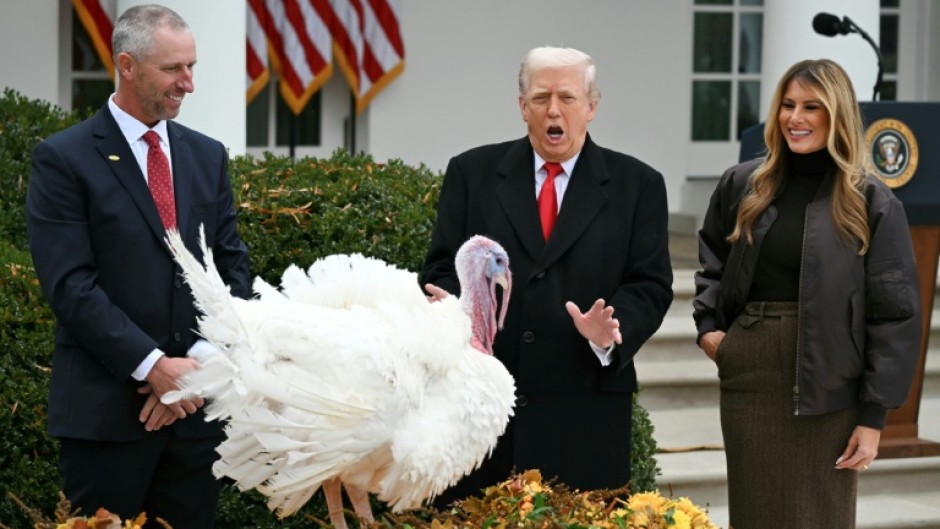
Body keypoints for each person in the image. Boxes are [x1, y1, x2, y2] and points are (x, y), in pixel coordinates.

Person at [26, 5, 251, 528]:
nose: (188, 83)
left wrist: (193, 369)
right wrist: (155, 368)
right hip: (106, 421)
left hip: (196, 418)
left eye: (192, 66)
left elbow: (232, 273)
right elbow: (71, 286)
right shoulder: (63, 159)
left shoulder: (207, 155)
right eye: (173, 69)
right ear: (127, 65)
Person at [420, 46, 673, 504]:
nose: (553, 110)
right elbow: (442, 265)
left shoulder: (638, 185)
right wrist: (454, 310)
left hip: (583, 419)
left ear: (592, 107)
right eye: (540, 98)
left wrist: (610, 331)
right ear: (522, 107)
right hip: (483, 415)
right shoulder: (471, 174)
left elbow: (650, 284)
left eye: (568, 98)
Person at [693, 58, 921, 528]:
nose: (795, 118)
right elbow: (712, 259)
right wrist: (710, 331)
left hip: (831, 378)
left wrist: (874, 416)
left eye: (811, 107)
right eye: (788, 105)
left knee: (822, 515)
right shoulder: (744, 184)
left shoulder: (870, 200)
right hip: (751, 369)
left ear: (836, 115)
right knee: (756, 513)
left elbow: (894, 314)